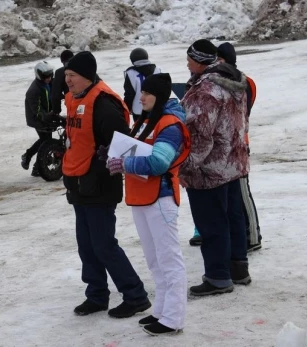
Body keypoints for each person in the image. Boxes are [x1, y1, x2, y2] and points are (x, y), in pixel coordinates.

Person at [62, 51, 151, 318]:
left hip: (99, 185)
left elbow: (122, 144)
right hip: (79, 184)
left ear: (87, 76)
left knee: (103, 244)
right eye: (66, 75)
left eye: (72, 76)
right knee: (86, 244)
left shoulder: (102, 104)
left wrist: (102, 166)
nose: (67, 80)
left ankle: (135, 295)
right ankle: (97, 295)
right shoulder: (75, 98)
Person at [106, 73, 190, 335]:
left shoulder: (170, 125)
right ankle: (161, 311)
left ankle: (173, 318)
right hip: (142, 197)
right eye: (142, 92)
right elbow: (133, 148)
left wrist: (125, 164)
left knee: (169, 259)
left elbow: (159, 163)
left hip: (160, 199)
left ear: (160, 96)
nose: (140, 97)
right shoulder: (145, 121)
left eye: (147, 93)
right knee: (154, 260)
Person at [179, 39, 251, 296]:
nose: (187, 64)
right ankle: (238, 268)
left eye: (189, 59)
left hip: (209, 169)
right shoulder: (235, 82)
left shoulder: (205, 90)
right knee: (233, 216)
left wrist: (185, 168)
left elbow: (200, 136)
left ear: (199, 61)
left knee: (212, 223)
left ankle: (218, 277)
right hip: (233, 162)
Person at [189, 43, 262, 252]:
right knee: (232, 203)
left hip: (234, 145)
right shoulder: (234, 81)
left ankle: (253, 237)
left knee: (241, 197)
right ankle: (241, 245)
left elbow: (240, 114)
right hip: (234, 144)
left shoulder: (238, 83)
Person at [21, 61, 54, 177]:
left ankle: (37, 167)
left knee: (45, 141)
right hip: (37, 119)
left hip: (46, 116)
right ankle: (29, 157)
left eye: (50, 75)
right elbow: (37, 110)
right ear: (40, 76)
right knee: (46, 141)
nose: (49, 78)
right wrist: (47, 116)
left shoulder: (48, 83)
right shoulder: (33, 91)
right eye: (46, 76)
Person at [123, 48, 161, 122]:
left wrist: (127, 108)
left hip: (138, 110)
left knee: (140, 132)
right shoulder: (157, 70)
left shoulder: (130, 73)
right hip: (154, 108)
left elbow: (129, 94)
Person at [50, 49, 74, 116]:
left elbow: (55, 95)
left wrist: (56, 112)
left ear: (62, 61)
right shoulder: (85, 67)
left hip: (73, 104)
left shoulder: (60, 73)